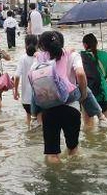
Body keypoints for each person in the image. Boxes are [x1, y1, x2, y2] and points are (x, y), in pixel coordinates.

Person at [36, 31, 87, 163]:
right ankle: (72, 180)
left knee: (52, 154)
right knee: (73, 150)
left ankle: (55, 180)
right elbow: (80, 74)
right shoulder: (72, 54)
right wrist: (83, 94)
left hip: (49, 107)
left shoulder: (41, 57)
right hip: (71, 107)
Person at [81, 33, 107, 127]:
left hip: (88, 92)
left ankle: (90, 141)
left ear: (85, 45)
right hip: (104, 93)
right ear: (97, 43)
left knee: (88, 125)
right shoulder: (106, 55)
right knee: (104, 122)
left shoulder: (80, 57)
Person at [13, 35, 38, 126]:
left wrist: (15, 91)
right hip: (39, 96)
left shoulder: (23, 58)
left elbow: (17, 76)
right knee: (40, 121)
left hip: (26, 98)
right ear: (37, 45)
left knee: (28, 119)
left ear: (25, 45)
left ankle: (28, 138)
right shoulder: (40, 57)